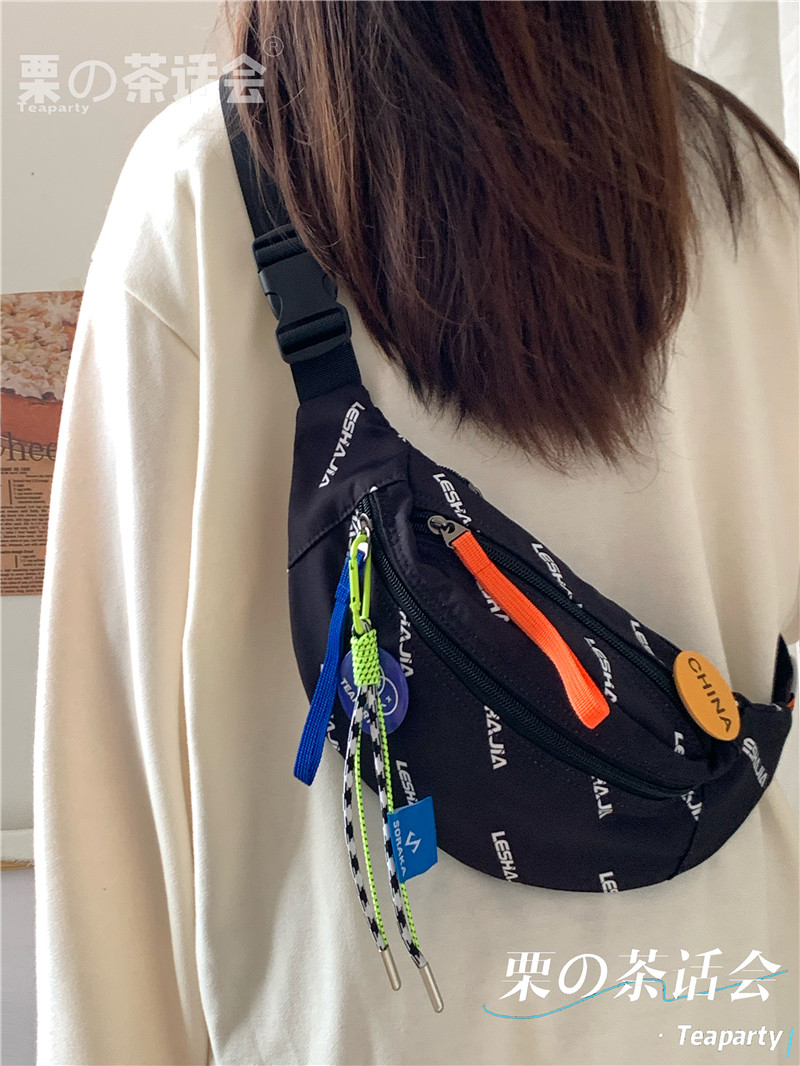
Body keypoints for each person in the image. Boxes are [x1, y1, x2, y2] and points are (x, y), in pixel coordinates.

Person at [33, 3, 798, 1064]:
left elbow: (110, 757)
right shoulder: (749, 185)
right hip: (736, 988)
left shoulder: (211, 184)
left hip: (374, 1015)